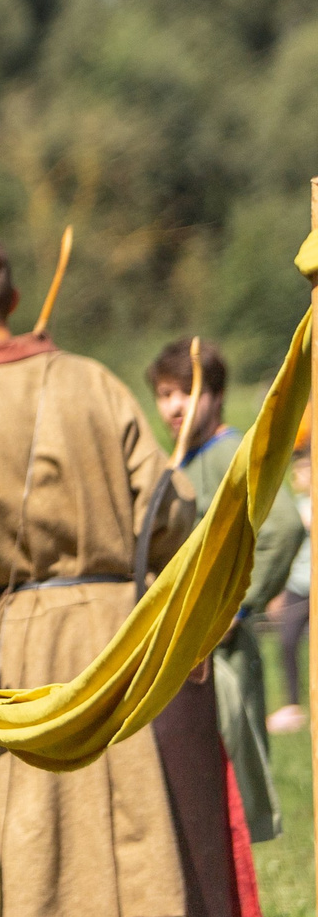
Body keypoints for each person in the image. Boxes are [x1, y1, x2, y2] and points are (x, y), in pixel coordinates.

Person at [0, 234, 226, 917]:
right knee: (137, 847)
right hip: (125, 637)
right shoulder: (96, 381)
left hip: (27, 645)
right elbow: (174, 512)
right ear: (12, 301)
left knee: (45, 864)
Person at [146, 336, 302, 843]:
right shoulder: (176, 464)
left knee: (224, 782)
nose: (174, 406)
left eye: (186, 391)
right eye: (165, 394)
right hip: (180, 646)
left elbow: (282, 529)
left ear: (215, 395)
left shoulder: (233, 451)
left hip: (224, 649)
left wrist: (235, 607)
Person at [273, 450, 312, 737]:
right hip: (298, 588)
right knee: (287, 642)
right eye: (297, 469)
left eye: (305, 468)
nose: (299, 474)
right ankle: (292, 705)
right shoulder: (295, 507)